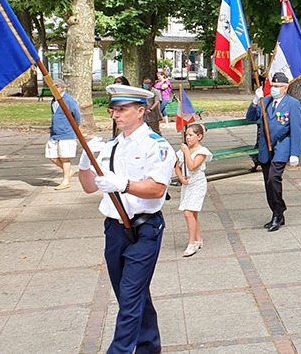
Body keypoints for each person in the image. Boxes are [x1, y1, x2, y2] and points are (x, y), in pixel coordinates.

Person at [77, 85, 175, 354]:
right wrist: (85, 164)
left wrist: (123, 184)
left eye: (122, 110)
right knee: (131, 294)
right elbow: (89, 187)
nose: (115, 115)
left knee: (130, 298)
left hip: (144, 229)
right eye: (113, 110)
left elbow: (157, 189)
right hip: (115, 229)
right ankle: (149, 347)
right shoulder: (111, 146)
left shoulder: (158, 146)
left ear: (141, 111)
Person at [246, 72, 301, 232]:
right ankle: (277, 212)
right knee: (267, 184)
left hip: (282, 146)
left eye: (278, 86)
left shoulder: (292, 104)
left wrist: (295, 153)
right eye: (273, 86)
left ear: (286, 88)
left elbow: (297, 129)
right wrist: (255, 102)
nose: (275, 89)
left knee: (273, 179)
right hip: (266, 148)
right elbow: (250, 117)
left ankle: (278, 212)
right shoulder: (266, 102)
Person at [176, 124, 211, 257]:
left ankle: (191, 243)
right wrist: (181, 179)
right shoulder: (183, 151)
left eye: (191, 135)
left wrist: (186, 152)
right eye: (186, 135)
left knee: (188, 212)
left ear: (199, 136)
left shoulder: (201, 152)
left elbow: (192, 167)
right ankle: (197, 238)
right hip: (187, 184)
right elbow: (177, 167)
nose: (187, 138)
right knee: (193, 212)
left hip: (197, 183)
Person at [46, 79, 82, 190]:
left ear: (61, 88)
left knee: (64, 157)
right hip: (55, 133)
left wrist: (71, 128)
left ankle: (65, 181)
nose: (53, 89)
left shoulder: (69, 100)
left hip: (66, 133)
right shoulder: (54, 101)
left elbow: (77, 116)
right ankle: (69, 171)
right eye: (52, 87)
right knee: (51, 155)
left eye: (55, 87)